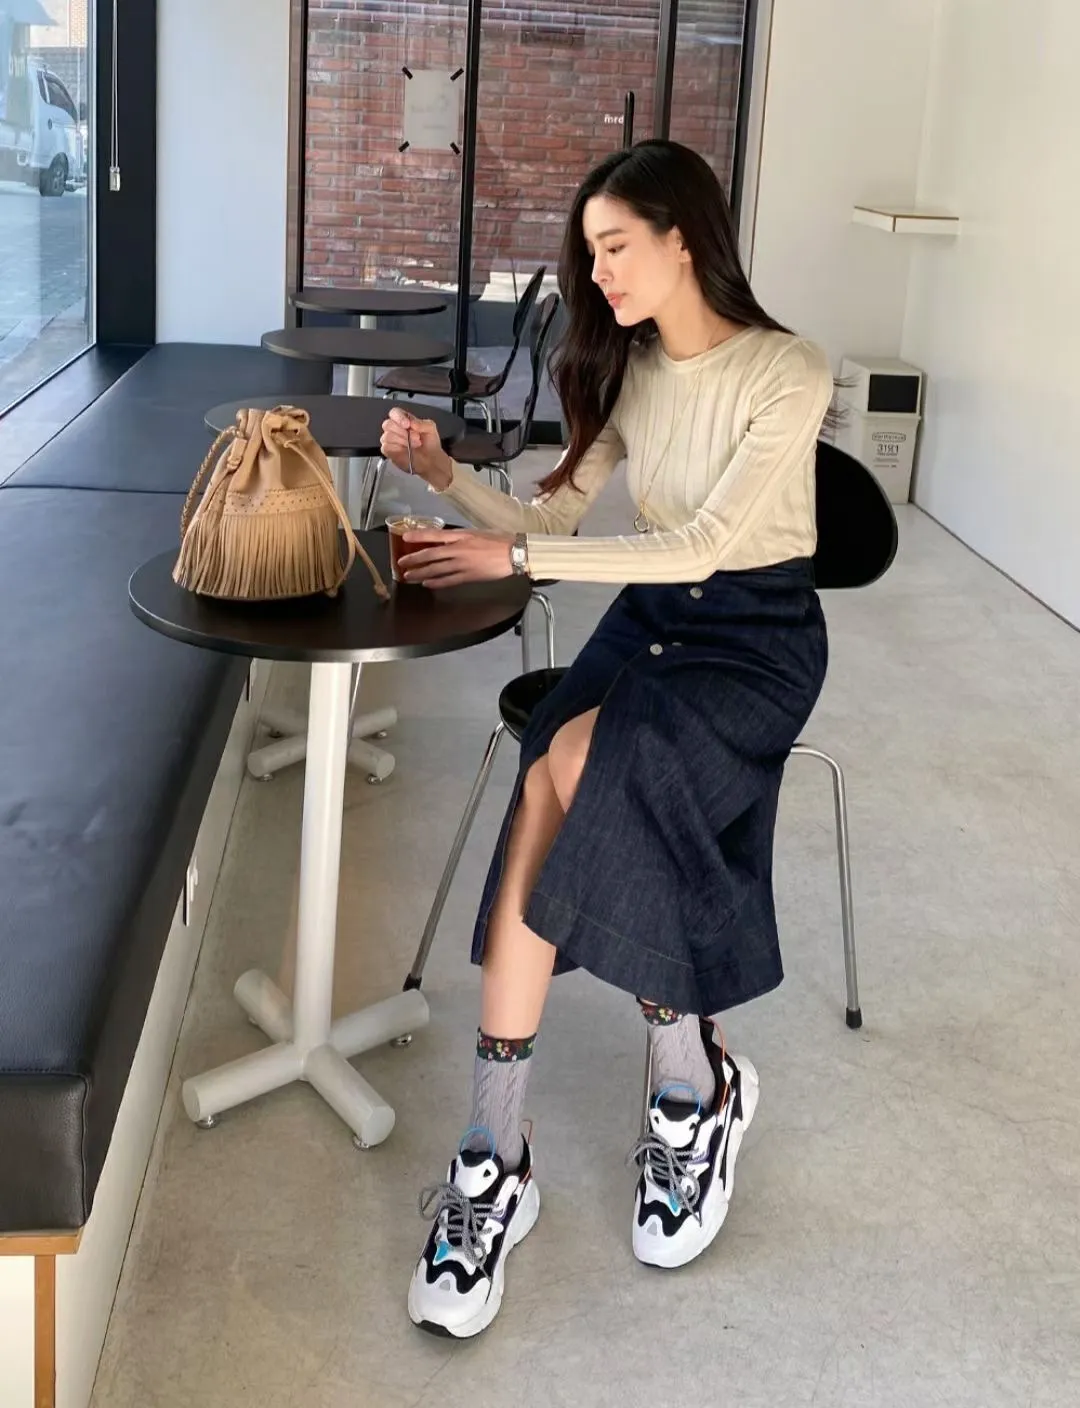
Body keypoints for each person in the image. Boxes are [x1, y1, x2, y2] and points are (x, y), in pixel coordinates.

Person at [379, 139, 834, 1340]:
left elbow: (705, 545)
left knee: (591, 762)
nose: (602, 274)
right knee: (553, 769)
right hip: (653, 620)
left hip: (756, 637)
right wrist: (445, 477)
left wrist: (516, 554)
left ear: (684, 237)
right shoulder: (631, 370)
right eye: (591, 254)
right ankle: (497, 1150)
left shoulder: (789, 371)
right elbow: (556, 517)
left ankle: (689, 1088)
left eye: (617, 246)